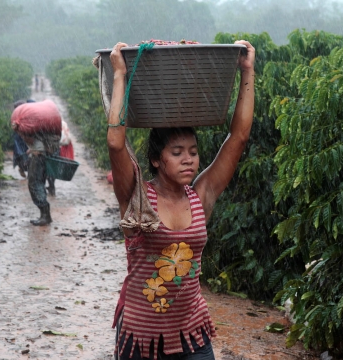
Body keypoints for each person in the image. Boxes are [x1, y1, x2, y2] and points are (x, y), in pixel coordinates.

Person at [106, 40, 255, 359]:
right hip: (140, 337)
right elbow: (116, 144)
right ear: (157, 160)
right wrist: (119, 75)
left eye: (193, 152)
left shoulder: (201, 195)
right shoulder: (137, 197)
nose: (189, 160)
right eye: (177, 153)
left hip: (192, 333)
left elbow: (238, 137)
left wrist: (247, 71)